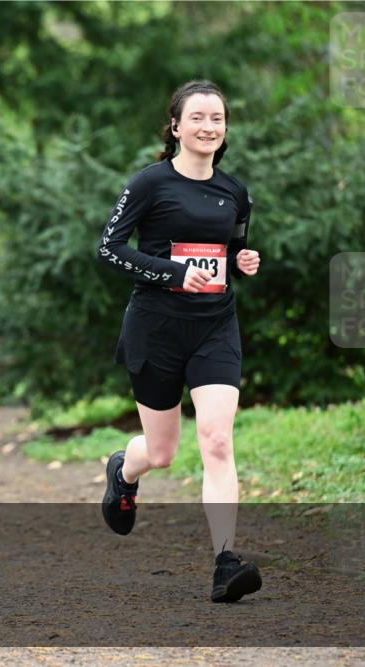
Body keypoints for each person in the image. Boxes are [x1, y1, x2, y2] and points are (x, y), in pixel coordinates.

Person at [97, 80, 263, 603]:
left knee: (216, 439)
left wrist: (242, 261)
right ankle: (124, 469)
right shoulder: (151, 183)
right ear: (176, 126)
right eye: (197, 118)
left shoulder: (235, 192)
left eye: (217, 118)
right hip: (157, 329)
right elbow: (109, 249)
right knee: (164, 452)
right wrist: (171, 272)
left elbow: (233, 246)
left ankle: (225, 562)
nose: (208, 126)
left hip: (216, 325)